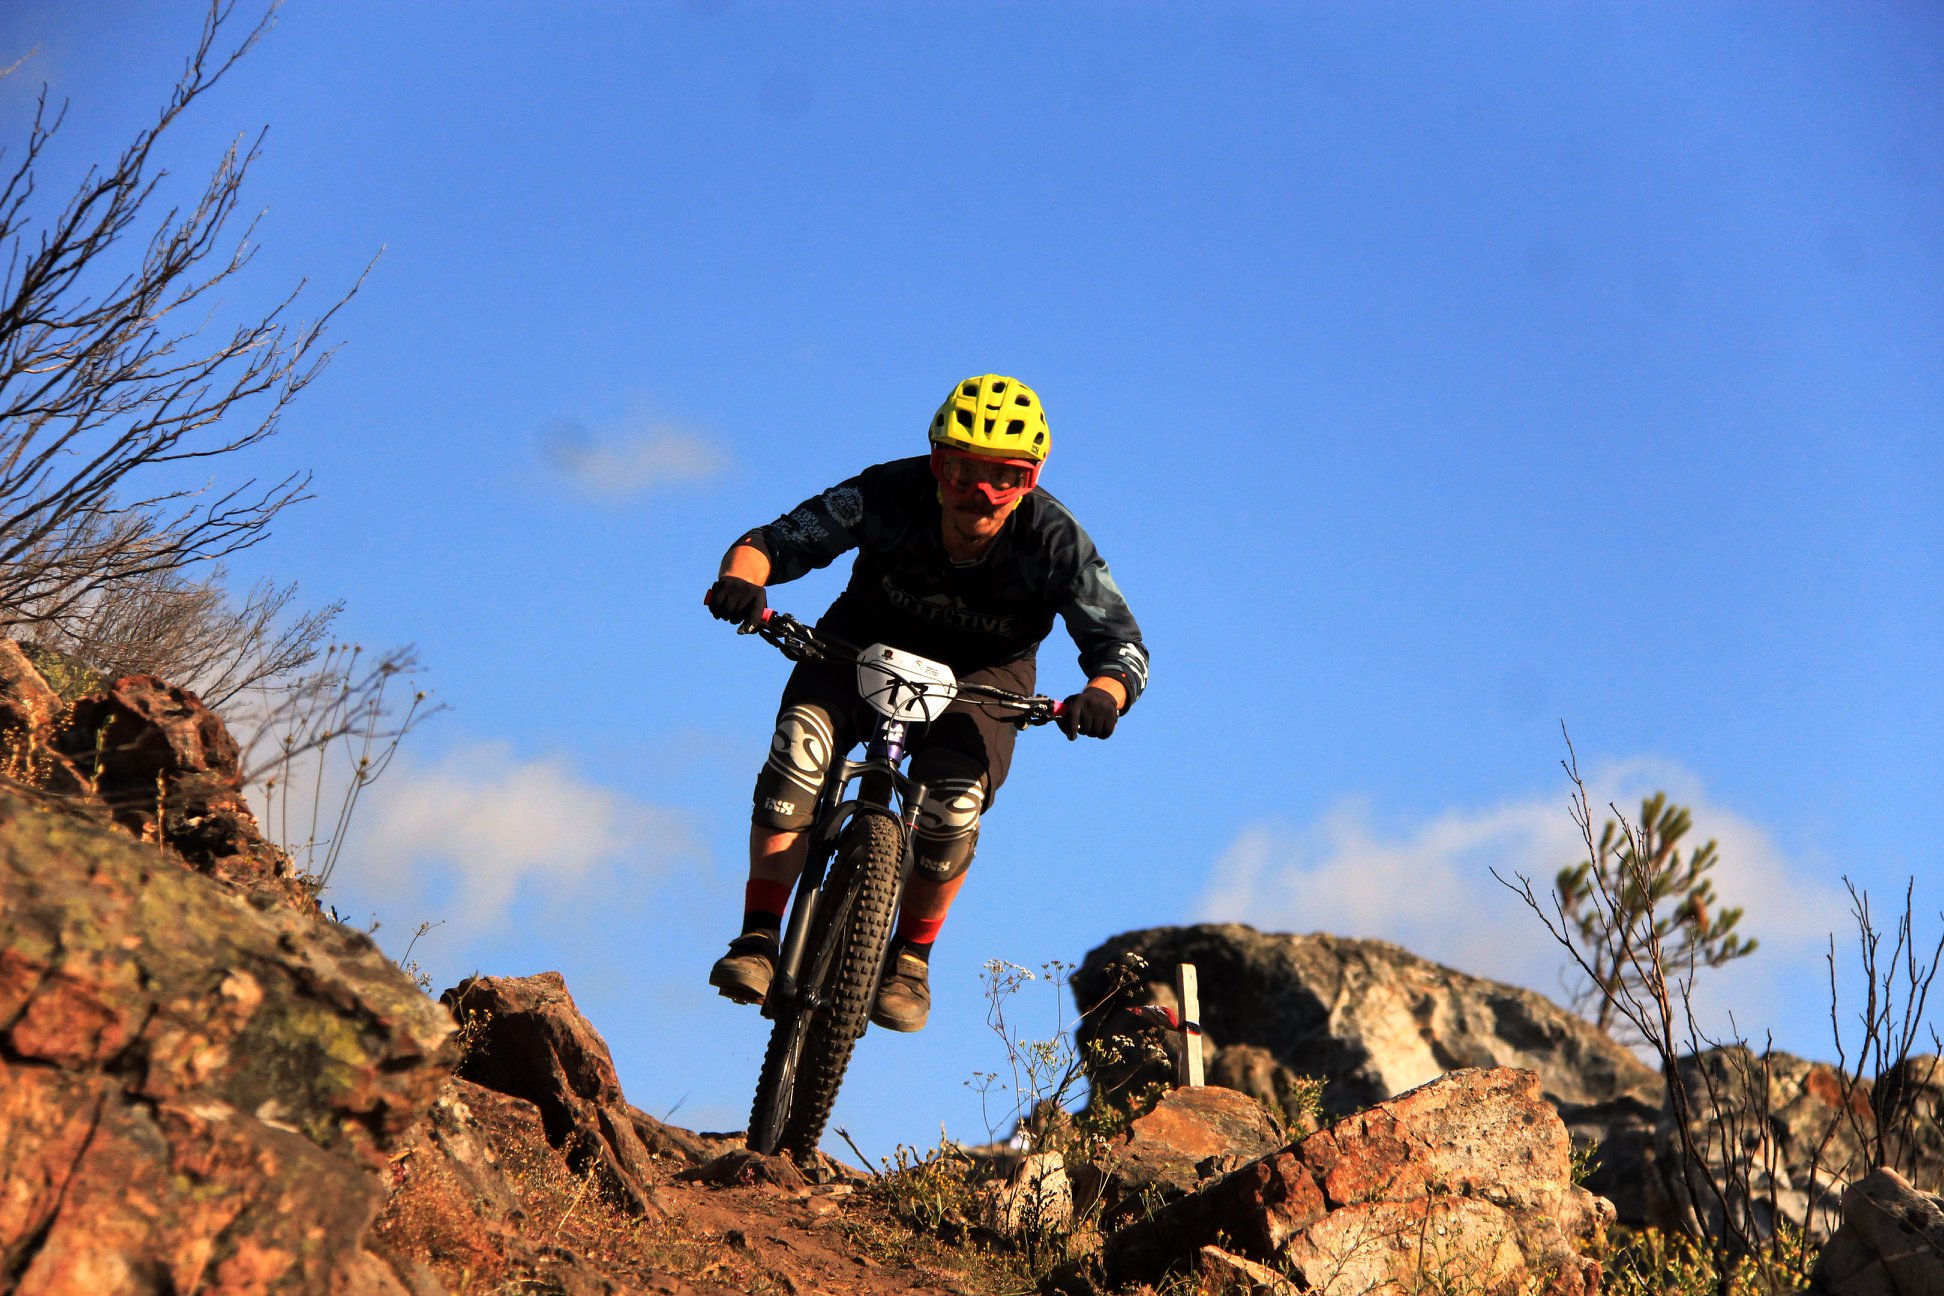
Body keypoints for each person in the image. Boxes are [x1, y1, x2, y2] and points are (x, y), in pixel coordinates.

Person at [704, 373, 1148, 1032]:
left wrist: (1102, 695)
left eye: (1007, 478)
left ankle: (910, 961)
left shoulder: (1055, 539)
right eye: (963, 471)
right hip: (858, 644)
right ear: (936, 464)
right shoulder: (886, 491)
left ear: (1032, 480)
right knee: (800, 749)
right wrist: (741, 583)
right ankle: (758, 938)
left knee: (955, 802)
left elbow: (1121, 647)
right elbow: (772, 542)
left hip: (984, 677)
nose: (981, 494)